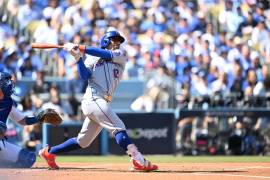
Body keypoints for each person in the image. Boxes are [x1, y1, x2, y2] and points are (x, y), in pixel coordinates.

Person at [39, 30, 158, 171]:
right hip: (93, 99)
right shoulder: (91, 58)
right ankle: (138, 160)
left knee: (83, 141)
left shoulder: (121, 54)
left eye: (119, 41)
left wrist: (80, 47)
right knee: (118, 127)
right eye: (114, 40)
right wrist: (78, 58)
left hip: (101, 102)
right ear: (106, 41)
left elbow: (104, 54)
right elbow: (84, 76)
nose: (117, 43)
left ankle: (49, 152)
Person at [0, 72, 36, 168]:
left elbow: (23, 120)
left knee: (28, 158)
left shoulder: (8, 102)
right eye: (5, 82)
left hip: (1, 144)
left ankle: (5, 165)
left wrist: (40, 117)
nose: (9, 84)